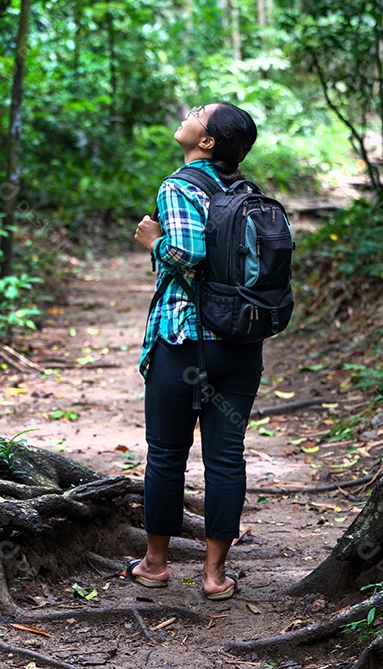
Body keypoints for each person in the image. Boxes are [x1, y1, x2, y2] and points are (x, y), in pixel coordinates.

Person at [130, 102, 264, 601]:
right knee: (226, 459)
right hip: (241, 342)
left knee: (167, 454)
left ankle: (156, 565)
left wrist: (154, 240)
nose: (187, 113)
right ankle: (214, 576)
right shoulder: (247, 192)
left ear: (206, 141)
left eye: (198, 113)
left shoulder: (179, 185)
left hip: (185, 342)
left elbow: (190, 255)